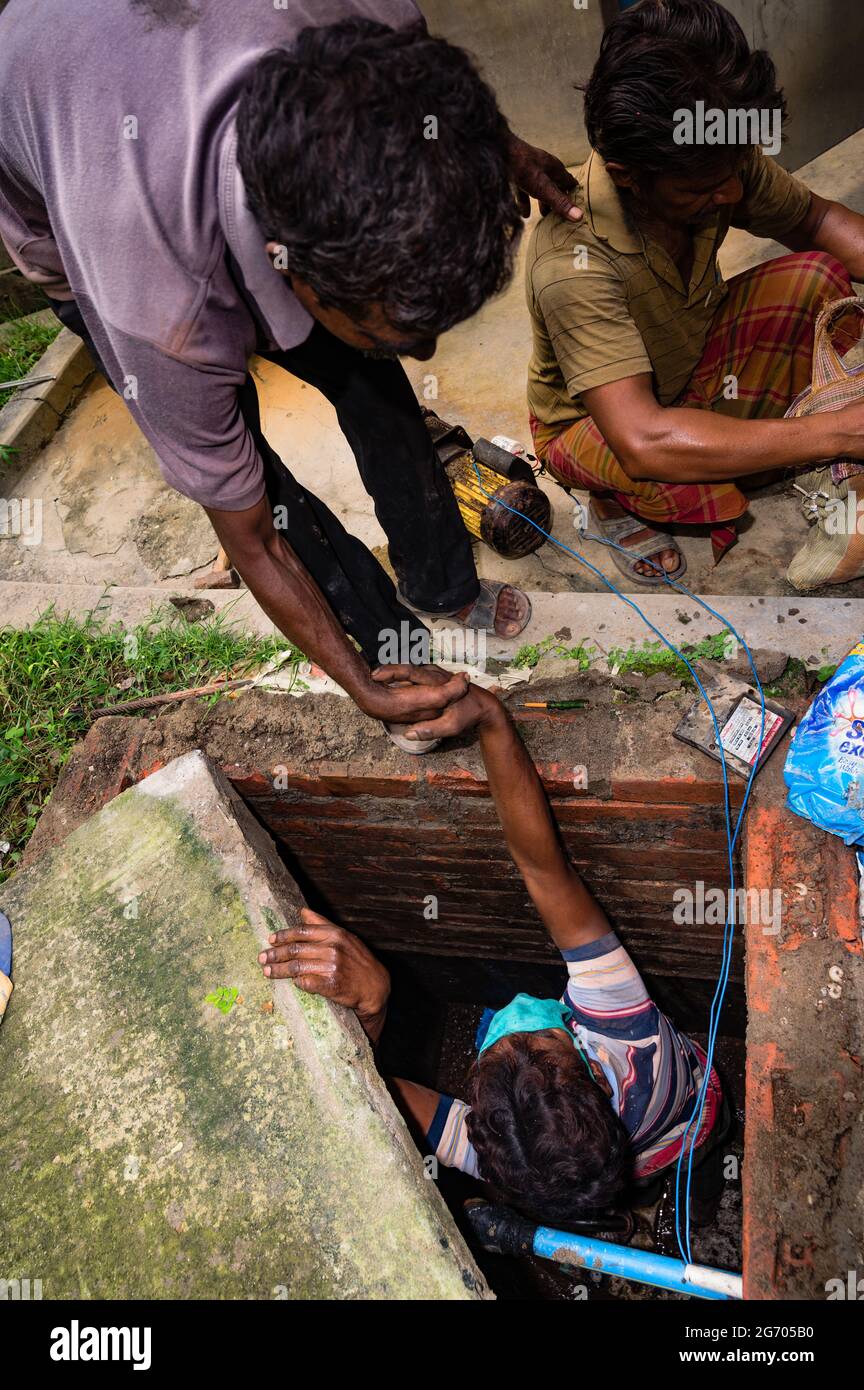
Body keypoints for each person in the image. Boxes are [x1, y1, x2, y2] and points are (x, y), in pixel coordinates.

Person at [0, 0, 579, 743]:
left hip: (161, 81)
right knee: (262, 493)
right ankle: (384, 645)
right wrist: (358, 682)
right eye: (400, 326)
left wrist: (499, 152)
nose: (429, 353)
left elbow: (433, 105)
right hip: (81, 184)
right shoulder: (157, 305)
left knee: (379, 390)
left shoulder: (362, 24)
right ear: (299, 279)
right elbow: (255, 539)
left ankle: (442, 582)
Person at [257, 673, 725, 1227]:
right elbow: (545, 872)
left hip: (683, 1125)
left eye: (507, 1045)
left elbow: (368, 1092)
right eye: (545, 1037)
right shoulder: (623, 1033)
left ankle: (644, 1199)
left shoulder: (495, 1154)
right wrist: (492, 722)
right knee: (655, 1170)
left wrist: (377, 1005)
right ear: (591, 1073)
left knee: (659, 1168)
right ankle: (645, 1200)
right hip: (681, 1124)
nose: (522, 1026)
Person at [526, 0, 864, 585]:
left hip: (693, 362)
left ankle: (789, 444)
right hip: (605, 421)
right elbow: (643, 439)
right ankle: (606, 499)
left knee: (817, 281)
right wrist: (836, 432)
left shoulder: (712, 157)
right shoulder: (571, 262)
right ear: (629, 174)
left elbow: (816, 223)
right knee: (686, 481)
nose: (733, 190)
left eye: (737, 167)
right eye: (706, 186)